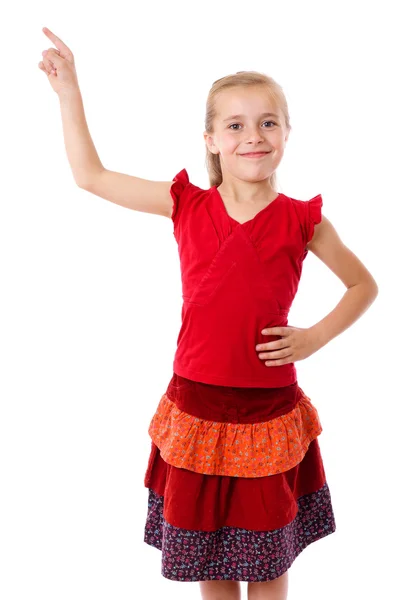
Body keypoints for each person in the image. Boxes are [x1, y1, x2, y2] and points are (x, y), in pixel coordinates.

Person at [39, 27, 379, 600]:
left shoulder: (304, 221)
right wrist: (69, 90)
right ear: (212, 139)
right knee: (211, 558)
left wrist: (314, 337)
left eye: (268, 122)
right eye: (236, 125)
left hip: (268, 411)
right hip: (196, 407)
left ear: (288, 133)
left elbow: (362, 285)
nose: (253, 136)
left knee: (267, 564)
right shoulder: (187, 204)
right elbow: (90, 177)